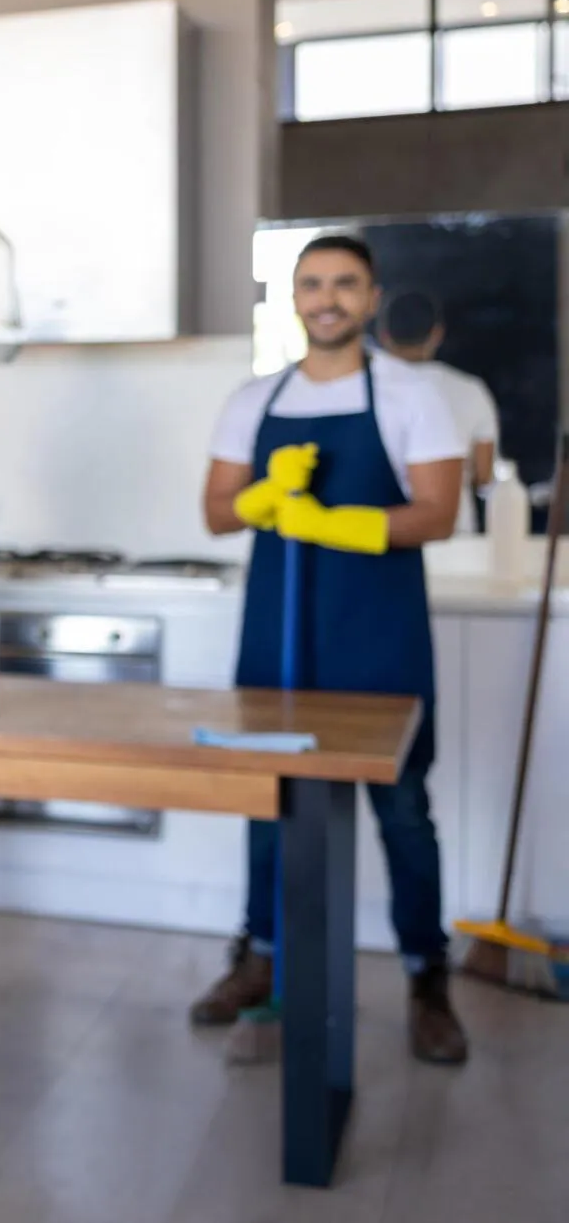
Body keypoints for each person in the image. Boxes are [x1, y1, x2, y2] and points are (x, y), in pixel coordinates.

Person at [196, 236, 469, 1065]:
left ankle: (426, 976)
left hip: (379, 637)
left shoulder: (410, 395)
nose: (327, 298)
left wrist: (332, 523)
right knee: (270, 805)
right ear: (293, 298)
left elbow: (439, 513)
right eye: (311, 284)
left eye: (344, 284)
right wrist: (266, 497)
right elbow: (215, 513)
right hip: (278, 636)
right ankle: (264, 958)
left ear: (371, 296)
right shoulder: (253, 399)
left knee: (403, 811)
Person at [379, 289, 500, 534]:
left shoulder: (361, 390)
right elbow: (484, 476)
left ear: (383, 335)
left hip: (384, 535)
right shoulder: (470, 390)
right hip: (455, 540)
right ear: (437, 333)